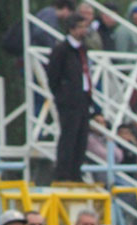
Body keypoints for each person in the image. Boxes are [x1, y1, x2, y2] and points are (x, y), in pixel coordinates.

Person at [46, 13, 92, 182]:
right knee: (69, 136)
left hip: (83, 97)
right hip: (69, 100)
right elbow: (53, 75)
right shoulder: (62, 50)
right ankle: (63, 172)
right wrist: (63, 93)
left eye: (85, 27)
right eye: (80, 27)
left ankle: (76, 171)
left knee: (81, 137)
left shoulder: (83, 49)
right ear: (71, 29)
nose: (84, 31)